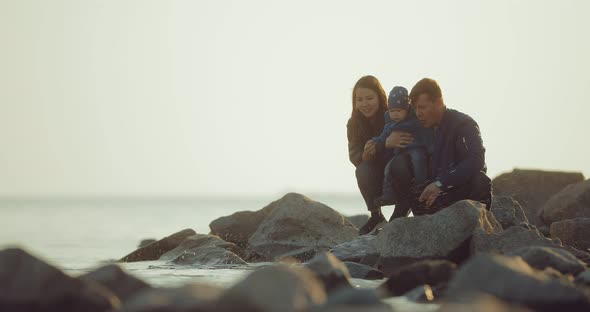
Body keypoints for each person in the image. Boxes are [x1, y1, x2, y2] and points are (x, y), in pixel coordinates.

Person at [386, 78, 492, 217]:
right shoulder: (416, 126)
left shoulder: (463, 124)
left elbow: (477, 160)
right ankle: (402, 212)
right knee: (399, 163)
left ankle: (473, 227)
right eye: (415, 108)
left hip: (457, 191)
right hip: (430, 198)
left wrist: (441, 183)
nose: (418, 113)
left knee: (480, 180)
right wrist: (387, 142)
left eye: (422, 107)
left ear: (439, 103)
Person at [370, 86, 434, 208]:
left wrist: (430, 147)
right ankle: (388, 195)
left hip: (416, 147)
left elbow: (426, 133)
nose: (395, 115)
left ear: (407, 109)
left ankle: (421, 186)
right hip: (400, 151)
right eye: (392, 111)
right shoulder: (389, 124)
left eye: (399, 111)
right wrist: (375, 142)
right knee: (389, 168)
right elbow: (383, 137)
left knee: (419, 159)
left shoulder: (414, 120)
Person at [346, 76, 389, 234]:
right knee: (362, 170)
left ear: (380, 96)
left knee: (401, 164)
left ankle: (402, 212)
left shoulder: (393, 115)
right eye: (360, 100)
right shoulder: (354, 123)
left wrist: (386, 144)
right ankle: (376, 215)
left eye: (370, 98)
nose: (365, 104)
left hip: (396, 166)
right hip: (374, 171)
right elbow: (353, 155)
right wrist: (365, 155)